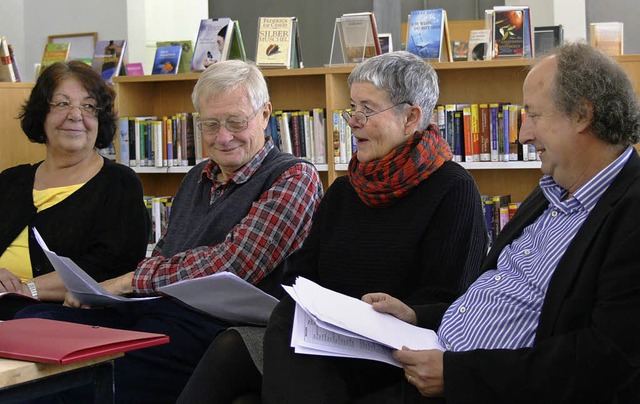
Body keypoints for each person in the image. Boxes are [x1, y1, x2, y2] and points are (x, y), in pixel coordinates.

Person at [179, 51, 488, 403]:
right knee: (237, 343)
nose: (353, 121)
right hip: (330, 338)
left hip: (398, 350)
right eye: (352, 108)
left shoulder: (452, 188)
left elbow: (459, 301)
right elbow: (301, 273)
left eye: (367, 110)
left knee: (278, 340)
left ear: (411, 117)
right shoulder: (345, 190)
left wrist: (411, 311)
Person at [16, 59, 323, 403]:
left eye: (236, 122)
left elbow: (234, 263)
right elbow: (165, 253)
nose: (223, 137)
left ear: (265, 115)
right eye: (210, 124)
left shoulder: (294, 177)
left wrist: (129, 281)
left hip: (222, 327)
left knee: (85, 373)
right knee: (34, 321)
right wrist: (110, 296)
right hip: (158, 308)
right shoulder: (196, 178)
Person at [363, 42, 640, 403]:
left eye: (533, 115)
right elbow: (498, 298)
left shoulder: (630, 213)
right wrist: (416, 315)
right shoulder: (549, 194)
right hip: (436, 363)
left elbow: (607, 359)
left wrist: (458, 375)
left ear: (582, 115)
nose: (522, 134)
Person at [0, 60, 149, 320]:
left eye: (89, 106)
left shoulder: (119, 184)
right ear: (41, 114)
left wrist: (28, 289)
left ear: (100, 118)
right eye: (62, 103)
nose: (76, 115)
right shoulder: (11, 180)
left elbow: (111, 267)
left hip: (66, 314)